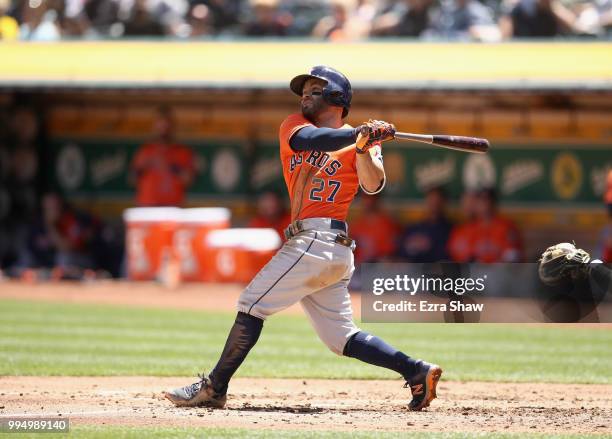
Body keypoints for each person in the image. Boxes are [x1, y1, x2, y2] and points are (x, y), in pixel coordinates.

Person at [164, 65, 442, 412]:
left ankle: (214, 388)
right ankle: (415, 370)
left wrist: (364, 147)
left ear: (337, 97)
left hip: (323, 242)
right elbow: (313, 141)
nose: (304, 96)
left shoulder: (363, 144)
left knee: (251, 304)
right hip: (317, 246)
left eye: (314, 90)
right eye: (304, 91)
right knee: (340, 338)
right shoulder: (295, 126)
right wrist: (359, 134)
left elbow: (373, 185)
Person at [130, 106, 195, 207]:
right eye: (160, 125)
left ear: (172, 127)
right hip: (148, 206)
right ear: (155, 127)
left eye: (166, 125)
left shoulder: (182, 152)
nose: (163, 129)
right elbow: (132, 179)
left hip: (172, 207)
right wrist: (143, 167)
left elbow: (188, 180)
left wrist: (172, 166)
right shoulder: (145, 151)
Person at [397, 186, 452, 262]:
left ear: (444, 202)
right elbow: (400, 252)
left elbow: (444, 258)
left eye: (437, 201)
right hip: (409, 270)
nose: (434, 204)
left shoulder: (450, 230)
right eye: (431, 200)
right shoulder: (414, 228)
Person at [350, 193, 400, 265]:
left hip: (379, 267)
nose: (369, 202)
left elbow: (388, 255)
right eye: (366, 199)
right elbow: (350, 250)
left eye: (372, 199)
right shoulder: (357, 225)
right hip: (358, 267)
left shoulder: (388, 224)